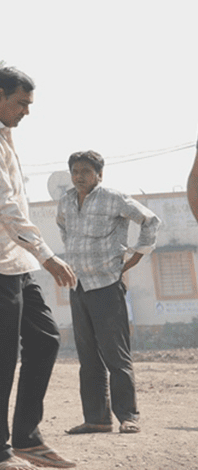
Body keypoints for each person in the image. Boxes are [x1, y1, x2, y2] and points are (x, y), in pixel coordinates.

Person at [0, 68, 77, 470]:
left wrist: (32, 254)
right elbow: (2, 205)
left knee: (44, 339)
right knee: (2, 354)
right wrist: (47, 254)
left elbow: (12, 207)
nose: (25, 112)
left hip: (13, 258)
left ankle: (26, 437)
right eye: (21, 103)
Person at [57, 150, 160, 436]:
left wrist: (137, 255)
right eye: (75, 171)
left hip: (107, 285)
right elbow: (63, 228)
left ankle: (128, 416)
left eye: (86, 172)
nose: (79, 176)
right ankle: (96, 419)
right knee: (88, 358)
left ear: (99, 175)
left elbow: (150, 221)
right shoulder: (66, 200)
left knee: (116, 356)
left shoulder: (113, 198)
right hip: (79, 287)